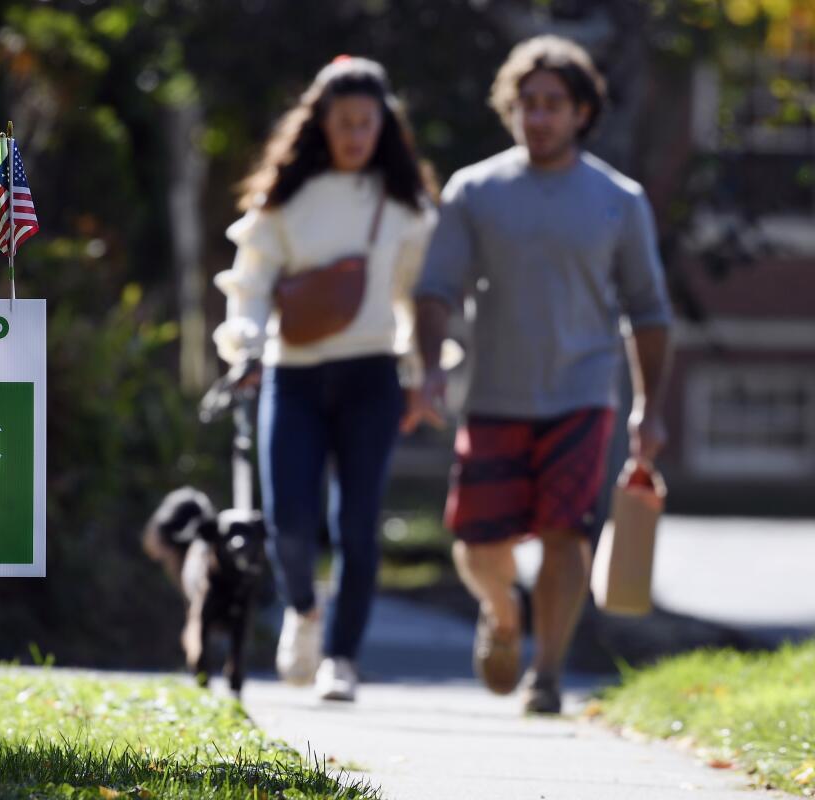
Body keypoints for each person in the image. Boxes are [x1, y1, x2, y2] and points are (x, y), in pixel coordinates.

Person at [404, 35, 673, 714]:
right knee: (476, 541)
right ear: (511, 109)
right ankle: (501, 611)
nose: (539, 117)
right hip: (495, 395)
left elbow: (648, 310)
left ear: (582, 112)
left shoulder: (619, 200)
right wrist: (432, 367)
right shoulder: (476, 191)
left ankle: (547, 674)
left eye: (553, 104)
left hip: (584, 395)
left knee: (567, 534)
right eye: (528, 104)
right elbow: (435, 288)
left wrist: (650, 406)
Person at [212, 56, 437, 702]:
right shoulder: (283, 202)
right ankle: (303, 610)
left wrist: (422, 375)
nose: (356, 135)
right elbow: (250, 285)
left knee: (357, 523)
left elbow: (419, 298)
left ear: (383, 126)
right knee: (287, 519)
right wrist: (247, 343)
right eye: (345, 122)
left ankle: (342, 657)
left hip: (373, 374)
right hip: (294, 374)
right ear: (321, 124)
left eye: (368, 122)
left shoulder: (404, 208)